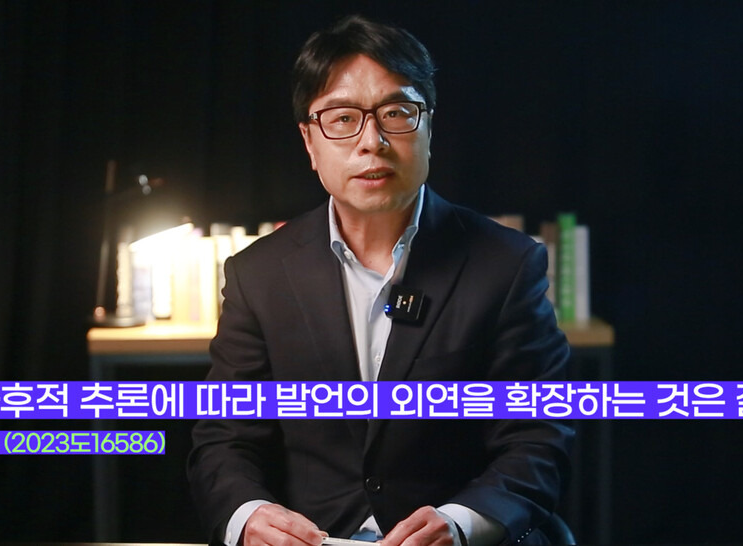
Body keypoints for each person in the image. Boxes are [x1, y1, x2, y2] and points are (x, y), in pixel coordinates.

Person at [188, 14, 573, 546]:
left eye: (396, 113)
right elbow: (224, 440)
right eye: (343, 118)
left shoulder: (506, 265)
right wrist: (249, 516)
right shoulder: (258, 275)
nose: (372, 141)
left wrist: (462, 523)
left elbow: (537, 438)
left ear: (429, 127)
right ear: (309, 141)